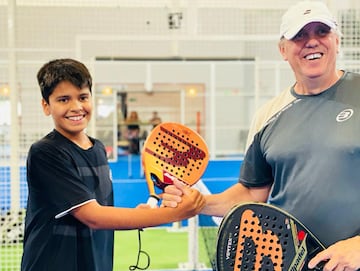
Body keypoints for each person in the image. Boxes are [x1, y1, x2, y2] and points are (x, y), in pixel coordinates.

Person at [162, 2, 360, 271]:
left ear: (337, 41)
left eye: (321, 32)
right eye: (299, 36)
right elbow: (252, 194)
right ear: (283, 50)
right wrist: (197, 204)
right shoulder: (267, 116)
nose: (311, 42)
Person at [20, 58, 205, 271]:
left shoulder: (98, 149)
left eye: (83, 97)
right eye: (63, 99)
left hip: (96, 263)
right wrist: (174, 214)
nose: (76, 107)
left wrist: (141, 214)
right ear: (46, 105)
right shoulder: (45, 152)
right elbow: (94, 217)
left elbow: (102, 211)